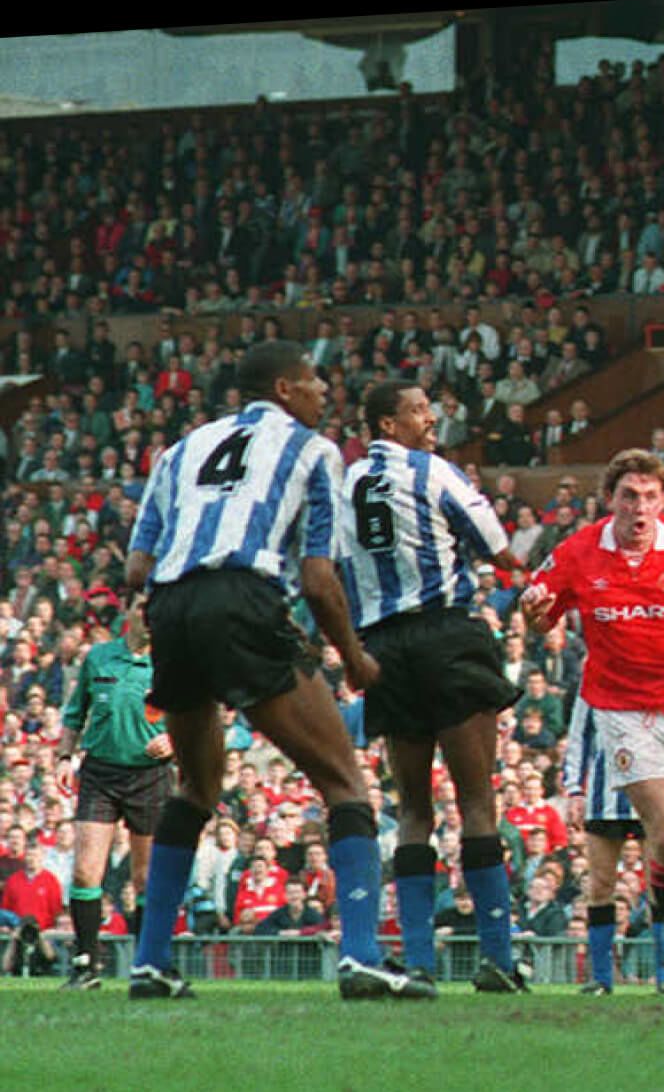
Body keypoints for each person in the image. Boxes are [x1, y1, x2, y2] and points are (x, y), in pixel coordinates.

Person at [120, 339, 430, 1000]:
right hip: (244, 600)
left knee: (196, 790)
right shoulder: (314, 453)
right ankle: (362, 957)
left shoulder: (182, 450)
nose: (325, 393)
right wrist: (355, 658)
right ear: (286, 389)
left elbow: (135, 567)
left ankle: (149, 962)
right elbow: (319, 580)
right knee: (346, 782)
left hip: (171, 609)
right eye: (316, 381)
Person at [519, 448, 664, 996]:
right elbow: (542, 614)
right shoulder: (578, 550)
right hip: (621, 711)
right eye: (629, 496)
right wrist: (533, 613)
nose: (639, 508)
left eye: (650, 497)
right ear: (610, 500)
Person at [342, 380, 529, 993]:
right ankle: (498, 960)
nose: (431, 417)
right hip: (446, 635)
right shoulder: (432, 471)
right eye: (417, 410)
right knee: (477, 801)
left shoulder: (344, 485)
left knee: (414, 808)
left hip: (383, 648)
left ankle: (419, 962)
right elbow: (500, 550)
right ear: (386, 425)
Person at [55, 606, 172, 989]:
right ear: (130, 613)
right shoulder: (99, 656)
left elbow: (197, 715)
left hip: (150, 777)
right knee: (86, 871)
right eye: (144, 607)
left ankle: (148, 964)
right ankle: (86, 963)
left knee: (145, 878)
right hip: (100, 773)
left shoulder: (172, 660)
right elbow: (75, 715)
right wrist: (64, 757)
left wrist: (175, 740)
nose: (152, 616)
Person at [562, 687, 664, 994]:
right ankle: (601, 977)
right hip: (605, 796)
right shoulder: (593, 682)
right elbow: (579, 737)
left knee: (661, 887)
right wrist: (574, 789)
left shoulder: (658, 674)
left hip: (655, 791)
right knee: (600, 885)